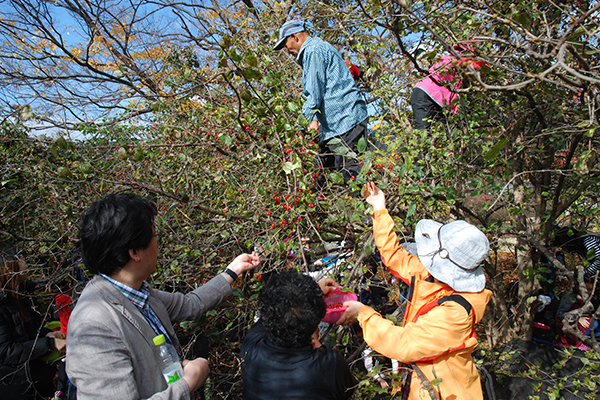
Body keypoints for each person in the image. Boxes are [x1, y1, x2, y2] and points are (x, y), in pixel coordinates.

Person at [65, 193, 260, 399]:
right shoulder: (94, 325)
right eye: (154, 236)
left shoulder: (139, 294)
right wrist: (188, 384)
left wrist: (232, 271)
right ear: (135, 252)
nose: (157, 244)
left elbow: (190, 304)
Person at [338, 182, 492, 399]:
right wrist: (379, 209)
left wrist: (362, 314)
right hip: (415, 384)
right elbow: (393, 255)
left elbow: (405, 344)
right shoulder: (431, 277)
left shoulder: (457, 313)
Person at [274, 20, 368, 183]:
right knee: (321, 177)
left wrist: (305, 124)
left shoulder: (313, 51)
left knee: (352, 176)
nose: (286, 50)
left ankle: (376, 206)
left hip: (346, 121)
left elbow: (314, 92)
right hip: (334, 128)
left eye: (285, 44)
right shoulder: (316, 49)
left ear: (294, 37)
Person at [241, 270, 355, 399]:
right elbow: (347, 391)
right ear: (317, 319)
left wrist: (314, 294)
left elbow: (272, 310)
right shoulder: (329, 364)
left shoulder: (250, 348)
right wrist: (313, 296)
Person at [0, 249, 67, 399]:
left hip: (38, 380)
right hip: (16, 387)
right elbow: (5, 352)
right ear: (10, 269)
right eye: (21, 259)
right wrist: (48, 344)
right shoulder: (3, 305)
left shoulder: (22, 295)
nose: (26, 263)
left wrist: (45, 333)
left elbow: (25, 334)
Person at [411, 45, 486, 131]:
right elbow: (480, 68)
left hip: (435, 98)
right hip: (426, 94)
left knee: (447, 132)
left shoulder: (449, 58)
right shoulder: (460, 59)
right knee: (424, 132)